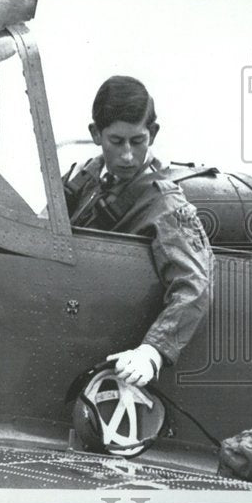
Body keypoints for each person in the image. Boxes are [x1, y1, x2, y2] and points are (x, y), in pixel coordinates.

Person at [63, 75, 213, 387]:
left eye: (138, 141)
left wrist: (153, 351)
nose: (128, 155)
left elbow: (194, 285)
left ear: (153, 133)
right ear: (96, 133)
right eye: (116, 142)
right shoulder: (83, 180)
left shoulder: (166, 205)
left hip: (110, 351)